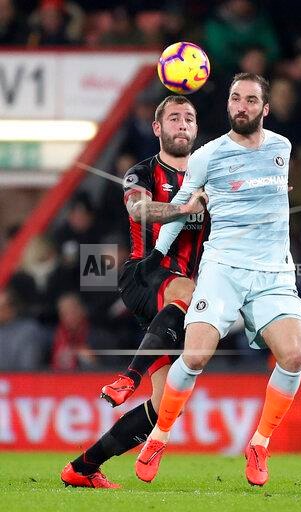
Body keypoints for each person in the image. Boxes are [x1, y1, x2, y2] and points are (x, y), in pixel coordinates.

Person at [134, 73, 301, 487]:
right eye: (235, 98)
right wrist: (157, 254)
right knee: (194, 357)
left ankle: (259, 443)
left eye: (250, 100)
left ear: (265, 108)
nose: (241, 106)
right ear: (228, 105)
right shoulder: (208, 155)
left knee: (295, 357)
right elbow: (179, 206)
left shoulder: (282, 147)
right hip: (223, 268)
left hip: (274, 272)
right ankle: (159, 436)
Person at [60, 95, 208, 488]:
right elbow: (140, 211)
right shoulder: (141, 172)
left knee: (164, 408)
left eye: (189, 118)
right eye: (173, 118)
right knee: (189, 290)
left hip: (170, 309)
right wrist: (185, 208)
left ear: (196, 129)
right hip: (145, 276)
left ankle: (83, 468)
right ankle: (129, 376)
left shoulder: (210, 175)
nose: (182, 124)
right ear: (157, 128)